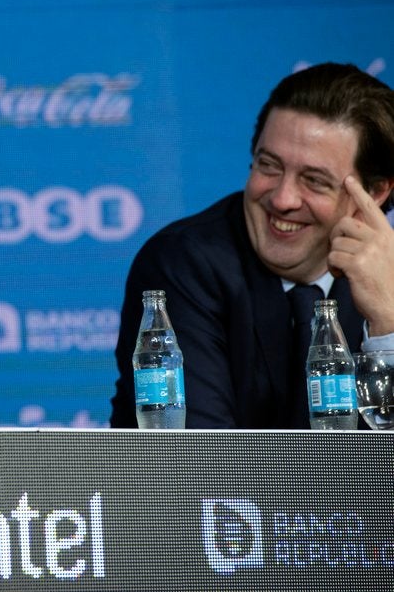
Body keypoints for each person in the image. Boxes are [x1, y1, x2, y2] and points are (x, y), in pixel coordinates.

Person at [111, 62, 394, 428]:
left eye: (314, 180)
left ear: (373, 193)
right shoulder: (183, 263)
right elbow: (197, 460)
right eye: (269, 165)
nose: (283, 198)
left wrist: (387, 325)